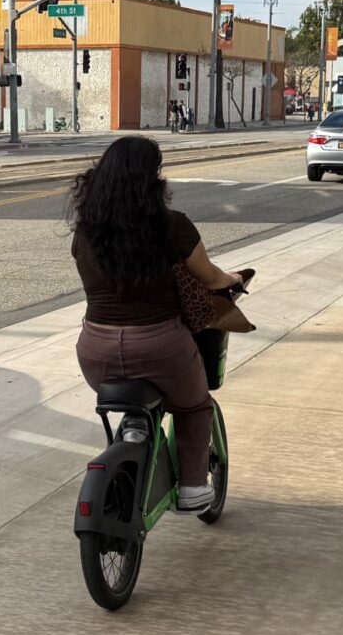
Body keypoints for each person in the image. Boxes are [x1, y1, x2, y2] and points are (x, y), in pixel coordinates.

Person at [69, 136, 244, 512]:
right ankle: (194, 488)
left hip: (95, 351)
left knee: (137, 397)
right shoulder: (172, 226)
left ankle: (134, 429)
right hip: (160, 347)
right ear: (153, 178)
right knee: (194, 406)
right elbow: (210, 277)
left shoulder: (85, 231)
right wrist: (233, 278)